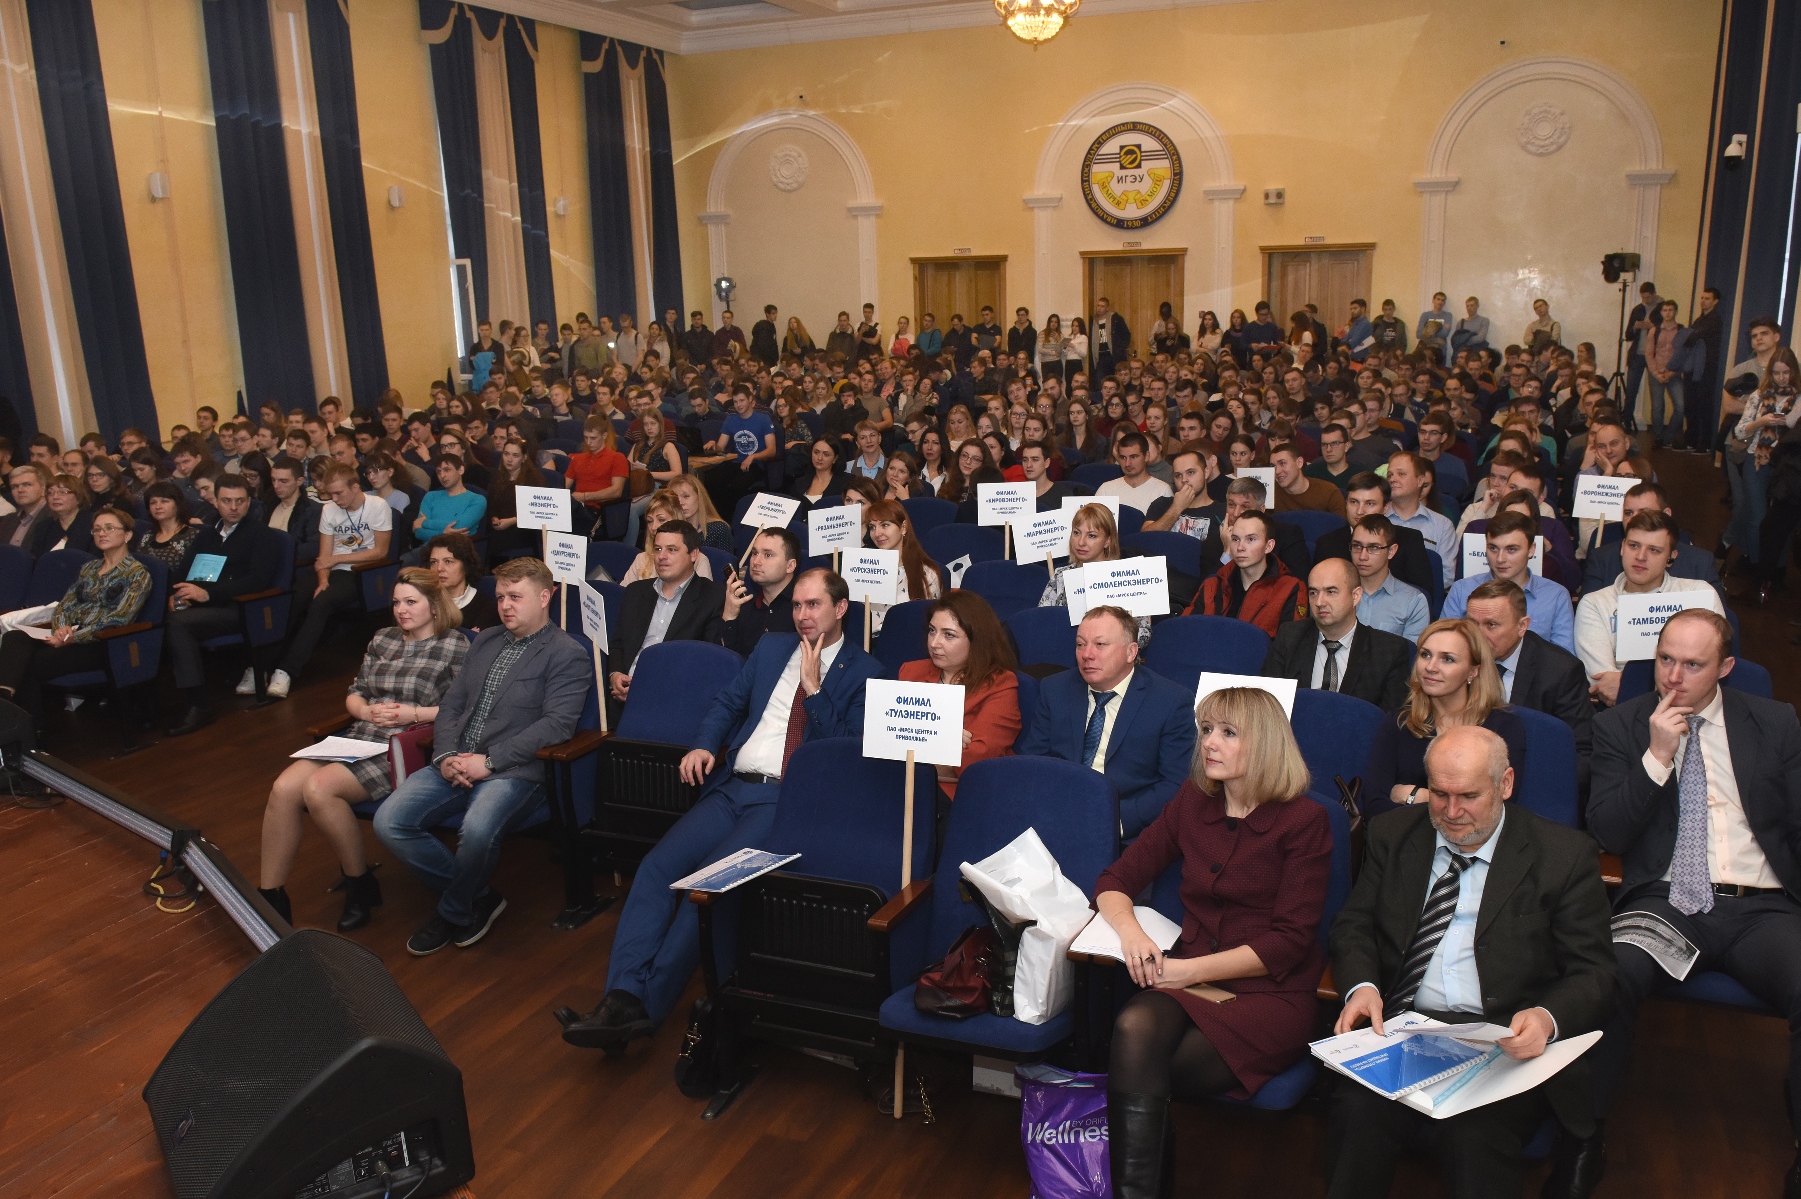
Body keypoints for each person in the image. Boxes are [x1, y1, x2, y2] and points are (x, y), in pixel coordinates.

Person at [558, 569, 882, 1048]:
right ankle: (620, 996)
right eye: (796, 605)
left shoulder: (866, 672)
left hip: (784, 800)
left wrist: (815, 691)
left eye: (813, 605)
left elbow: (846, 752)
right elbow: (728, 702)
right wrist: (704, 744)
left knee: (705, 886)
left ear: (840, 609)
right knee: (655, 867)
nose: (802, 615)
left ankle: (647, 1006)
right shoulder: (772, 648)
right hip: (732, 788)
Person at [1325, 725, 1615, 1199]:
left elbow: (1594, 971)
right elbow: (1354, 924)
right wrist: (1362, 987)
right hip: (1404, 1030)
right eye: (1439, 794)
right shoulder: (1393, 834)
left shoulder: (1562, 855)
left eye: (1469, 796)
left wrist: (1546, 1018)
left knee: (1474, 1138)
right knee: (1357, 1115)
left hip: (1500, 1041)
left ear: (1505, 784)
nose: (1452, 811)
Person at [1579, 610, 1801, 1199]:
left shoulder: (1774, 722)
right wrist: (1657, 758)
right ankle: (1584, 1139)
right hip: (1667, 901)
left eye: (1693, 664)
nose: (1673, 677)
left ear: (1725, 668)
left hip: (1762, 905)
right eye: (1665, 660)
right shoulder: (1622, 726)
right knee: (1610, 973)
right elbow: (1608, 832)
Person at [1097, 685, 1328, 1199]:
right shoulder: (1193, 801)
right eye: (1206, 730)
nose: (1209, 743)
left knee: (1143, 1067)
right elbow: (1115, 880)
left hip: (1270, 995)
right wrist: (1132, 935)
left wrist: (1184, 972)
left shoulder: (1303, 821)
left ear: (1263, 743)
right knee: (1134, 1027)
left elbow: (1289, 943)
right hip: (1191, 979)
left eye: (1227, 733)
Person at [375, 557, 592, 955]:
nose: (505, 605)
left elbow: (556, 726)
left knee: (476, 830)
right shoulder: (487, 640)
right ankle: (480, 897)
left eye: (516, 597)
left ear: (545, 597)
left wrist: (489, 762)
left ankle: (453, 909)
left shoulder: (567, 653)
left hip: (514, 770)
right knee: (389, 821)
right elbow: (452, 704)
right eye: (501, 597)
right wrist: (445, 755)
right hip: (457, 759)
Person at [257, 568, 469, 930]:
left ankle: (359, 883)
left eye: (411, 602)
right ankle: (269, 897)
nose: (401, 610)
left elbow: (463, 709)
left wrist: (412, 714)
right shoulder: (383, 638)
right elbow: (356, 693)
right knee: (283, 788)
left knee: (319, 789)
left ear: (435, 605)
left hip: (406, 743)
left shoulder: (454, 645)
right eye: (396, 602)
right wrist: (365, 711)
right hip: (361, 733)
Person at [1018, 606, 1195, 840]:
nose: (1087, 654)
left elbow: (1175, 783)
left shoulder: (1170, 701)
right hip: (1056, 817)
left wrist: (1115, 821)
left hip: (1127, 828)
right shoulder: (1055, 689)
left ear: (1131, 652)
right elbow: (1033, 762)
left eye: (1100, 644)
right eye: (1080, 644)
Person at [1363, 618, 1528, 819]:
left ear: (1473, 671)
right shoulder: (1399, 723)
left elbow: (1498, 808)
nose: (1431, 667)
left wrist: (1415, 795)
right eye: (1425, 655)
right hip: (1402, 837)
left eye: (1447, 659)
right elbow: (1374, 807)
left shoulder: (1504, 727)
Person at [163, 475, 286, 735]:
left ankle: (199, 703)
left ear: (248, 502)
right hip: (202, 605)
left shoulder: (261, 535)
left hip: (239, 608)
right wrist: (175, 593)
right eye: (227, 501)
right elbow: (183, 570)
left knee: (176, 624)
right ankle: (159, 703)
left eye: (240, 501)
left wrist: (207, 595)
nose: (233, 507)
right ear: (215, 502)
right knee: (161, 617)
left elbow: (257, 581)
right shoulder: (208, 533)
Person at [0, 507, 149, 716]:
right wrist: (61, 628)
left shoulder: (137, 573)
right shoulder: (89, 568)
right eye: (97, 529)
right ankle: (6, 703)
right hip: (69, 634)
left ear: (127, 535)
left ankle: (20, 724)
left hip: (101, 642)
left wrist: (72, 637)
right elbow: (64, 606)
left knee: (27, 663)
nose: (102, 533)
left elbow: (119, 619)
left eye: (109, 528)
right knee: (15, 637)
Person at [267, 462, 394, 700]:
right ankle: (266, 662)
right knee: (295, 596)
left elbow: (380, 552)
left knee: (321, 603)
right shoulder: (329, 510)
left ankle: (286, 670)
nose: (334, 499)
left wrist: (335, 560)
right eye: (331, 494)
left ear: (355, 487)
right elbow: (323, 556)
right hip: (332, 569)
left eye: (338, 493)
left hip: (361, 572)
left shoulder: (378, 506)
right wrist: (323, 579)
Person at [1574, 511, 1725, 706]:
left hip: (1694, 710)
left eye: (1654, 550)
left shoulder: (1700, 594)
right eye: (1634, 545)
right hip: (1627, 715)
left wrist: (1629, 684)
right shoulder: (1594, 604)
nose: (1640, 556)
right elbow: (1606, 686)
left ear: (1671, 557)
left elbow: (1714, 670)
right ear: (1622, 547)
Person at [1462, 578, 1591, 795]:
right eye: (1473, 624)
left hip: (1532, 785)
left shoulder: (1560, 671)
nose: (1479, 636)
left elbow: (1580, 753)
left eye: (1491, 625)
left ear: (1522, 626)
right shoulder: (1456, 659)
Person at [898, 592, 1020, 799]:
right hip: (901, 785)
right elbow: (877, 739)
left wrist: (911, 741)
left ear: (976, 640)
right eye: (932, 631)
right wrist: (943, 737)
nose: (934, 643)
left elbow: (975, 759)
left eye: (949, 635)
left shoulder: (1000, 684)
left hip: (960, 796)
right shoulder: (911, 672)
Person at [608, 521, 727, 715]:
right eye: (658, 549)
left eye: (672, 550)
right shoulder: (635, 592)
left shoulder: (713, 596)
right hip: (624, 697)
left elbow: (705, 661)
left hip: (674, 700)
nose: (662, 556)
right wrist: (616, 675)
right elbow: (617, 644)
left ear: (693, 555)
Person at [1262, 557, 1412, 710]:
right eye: (1313, 593)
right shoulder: (1289, 636)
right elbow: (1266, 704)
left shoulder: (1389, 651)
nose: (1319, 602)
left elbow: (1391, 719)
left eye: (1331, 592)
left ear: (1355, 596)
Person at [1443, 510, 1575, 653]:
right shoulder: (1462, 589)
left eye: (1511, 549)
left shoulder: (1555, 596)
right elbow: (1445, 646)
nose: (1500, 559)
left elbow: (1563, 657)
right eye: (1493, 548)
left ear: (1531, 550)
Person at [1040, 503, 1150, 647]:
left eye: (1091, 536)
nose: (1081, 542)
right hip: (1064, 652)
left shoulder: (1126, 577)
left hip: (1112, 658)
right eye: (1076, 533)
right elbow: (1042, 622)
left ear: (1107, 541)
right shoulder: (1061, 576)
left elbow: (1143, 633)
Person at [1581, 481, 1720, 594]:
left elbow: (1718, 618)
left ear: (1666, 514)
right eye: (1628, 513)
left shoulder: (1700, 562)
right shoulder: (1602, 559)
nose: (1634, 519)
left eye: (1645, 512)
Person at [1185, 511, 1308, 638]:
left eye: (1251, 539)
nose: (1240, 547)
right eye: (1235, 539)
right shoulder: (1212, 585)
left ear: (1269, 546)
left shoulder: (1290, 588)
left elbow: (1290, 644)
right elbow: (1186, 632)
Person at [1346, 514, 1430, 642]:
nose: (1362, 556)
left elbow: (1411, 652)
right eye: (1357, 546)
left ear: (1391, 551)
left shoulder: (1413, 601)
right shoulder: (1335, 593)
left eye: (1373, 547)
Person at [863, 499, 942, 635]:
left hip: (907, 641)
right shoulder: (863, 567)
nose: (877, 533)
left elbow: (930, 623)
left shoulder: (926, 573)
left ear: (903, 527)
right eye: (872, 527)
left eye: (885, 525)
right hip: (867, 643)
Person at [721, 526, 798, 656]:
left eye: (768, 555)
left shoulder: (803, 608)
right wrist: (729, 616)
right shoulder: (744, 606)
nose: (756, 561)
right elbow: (726, 659)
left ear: (790, 566)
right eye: (754, 553)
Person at [1385, 452, 1457, 588]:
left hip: (1423, 596)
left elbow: (1445, 577)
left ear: (1420, 481)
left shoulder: (1442, 525)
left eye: (1401, 474)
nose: (1393, 479)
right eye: (1390, 475)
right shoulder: (1376, 521)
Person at [405, 453, 486, 563]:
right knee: (403, 563)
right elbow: (419, 532)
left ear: (461, 470)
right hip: (428, 551)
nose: (442, 475)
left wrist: (425, 522)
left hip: (457, 552)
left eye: (447, 470)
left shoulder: (477, 499)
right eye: (439, 472)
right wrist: (444, 532)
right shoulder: (430, 496)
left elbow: (459, 527)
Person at [567, 416, 630, 536]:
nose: (588, 442)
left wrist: (584, 496)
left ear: (604, 435)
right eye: (586, 437)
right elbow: (564, 484)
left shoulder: (617, 458)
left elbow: (616, 491)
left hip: (598, 510)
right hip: (576, 507)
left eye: (593, 438)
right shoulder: (577, 459)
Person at [426, 531, 500, 633]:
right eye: (434, 562)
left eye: (448, 561)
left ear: (466, 566)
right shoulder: (423, 601)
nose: (439, 568)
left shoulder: (486, 607)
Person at [136, 480, 198, 579]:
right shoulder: (148, 535)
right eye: (153, 502)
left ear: (177, 504)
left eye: (164, 501)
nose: (158, 506)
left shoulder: (193, 535)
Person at [1097, 432, 1172, 510]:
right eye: (1123, 457)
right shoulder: (1106, 490)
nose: (1127, 463)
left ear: (1146, 456)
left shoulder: (1162, 491)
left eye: (1134, 457)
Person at [1269, 443, 1346, 517]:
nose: (1277, 471)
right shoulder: (1269, 494)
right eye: (1273, 466)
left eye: (1282, 463)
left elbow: (1341, 524)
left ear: (1299, 463)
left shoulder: (1329, 492)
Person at [26, 473, 94, 557]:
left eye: (62, 492)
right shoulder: (44, 527)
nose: (55, 497)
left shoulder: (92, 523)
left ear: (78, 497)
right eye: (50, 492)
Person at [0, 464, 47, 549]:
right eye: (14, 487)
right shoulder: (8, 520)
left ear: (43, 488)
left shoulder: (54, 518)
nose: (20, 490)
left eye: (27, 484)